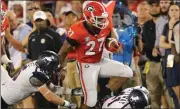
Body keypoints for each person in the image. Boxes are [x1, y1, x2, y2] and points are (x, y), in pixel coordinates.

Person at [58, 1, 133, 108]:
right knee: (90, 101)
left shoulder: (106, 24)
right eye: (99, 18)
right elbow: (63, 51)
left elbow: (109, 40)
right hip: (85, 65)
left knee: (127, 72)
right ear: (89, 18)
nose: (103, 21)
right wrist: (60, 68)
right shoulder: (77, 30)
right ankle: (97, 99)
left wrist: (112, 44)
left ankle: (104, 94)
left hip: (100, 60)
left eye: (103, 18)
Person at [1, 51, 79, 109]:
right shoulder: (37, 77)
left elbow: (53, 88)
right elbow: (50, 97)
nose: (54, 71)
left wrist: (71, 91)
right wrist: (68, 104)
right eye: (53, 69)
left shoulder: (37, 65)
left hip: (5, 90)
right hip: (4, 99)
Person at [159, 4, 180, 106]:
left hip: (178, 58)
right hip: (170, 58)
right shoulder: (166, 26)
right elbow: (161, 43)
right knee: (171, 85)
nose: (174, 12)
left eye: (177, 10)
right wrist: (174, 46)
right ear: (168, 12)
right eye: (172, 10)